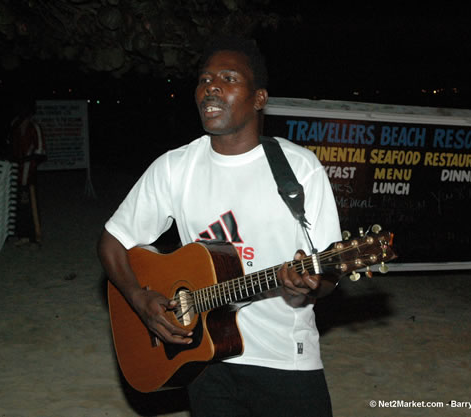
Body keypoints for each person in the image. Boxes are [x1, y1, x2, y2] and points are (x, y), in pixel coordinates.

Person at [98, 37, 341, 416]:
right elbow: (112, 242)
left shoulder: (299, 169)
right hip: (202, 356)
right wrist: (139, 298)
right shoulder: (175, 167)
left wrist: (310, 282)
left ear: (259, 98)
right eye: (204, 78)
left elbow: (328, 276)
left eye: (228, 78)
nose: (211, 86)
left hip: (285, 359)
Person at [7, 98, 46, 245]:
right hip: (15, 171)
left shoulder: (34, 127)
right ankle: (19, 232)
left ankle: (32, 234)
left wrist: (28, 160)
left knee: (28, 202)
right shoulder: (14, 125)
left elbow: (41, 152)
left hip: (28, 173)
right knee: (16, 202)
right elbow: (10, 146)